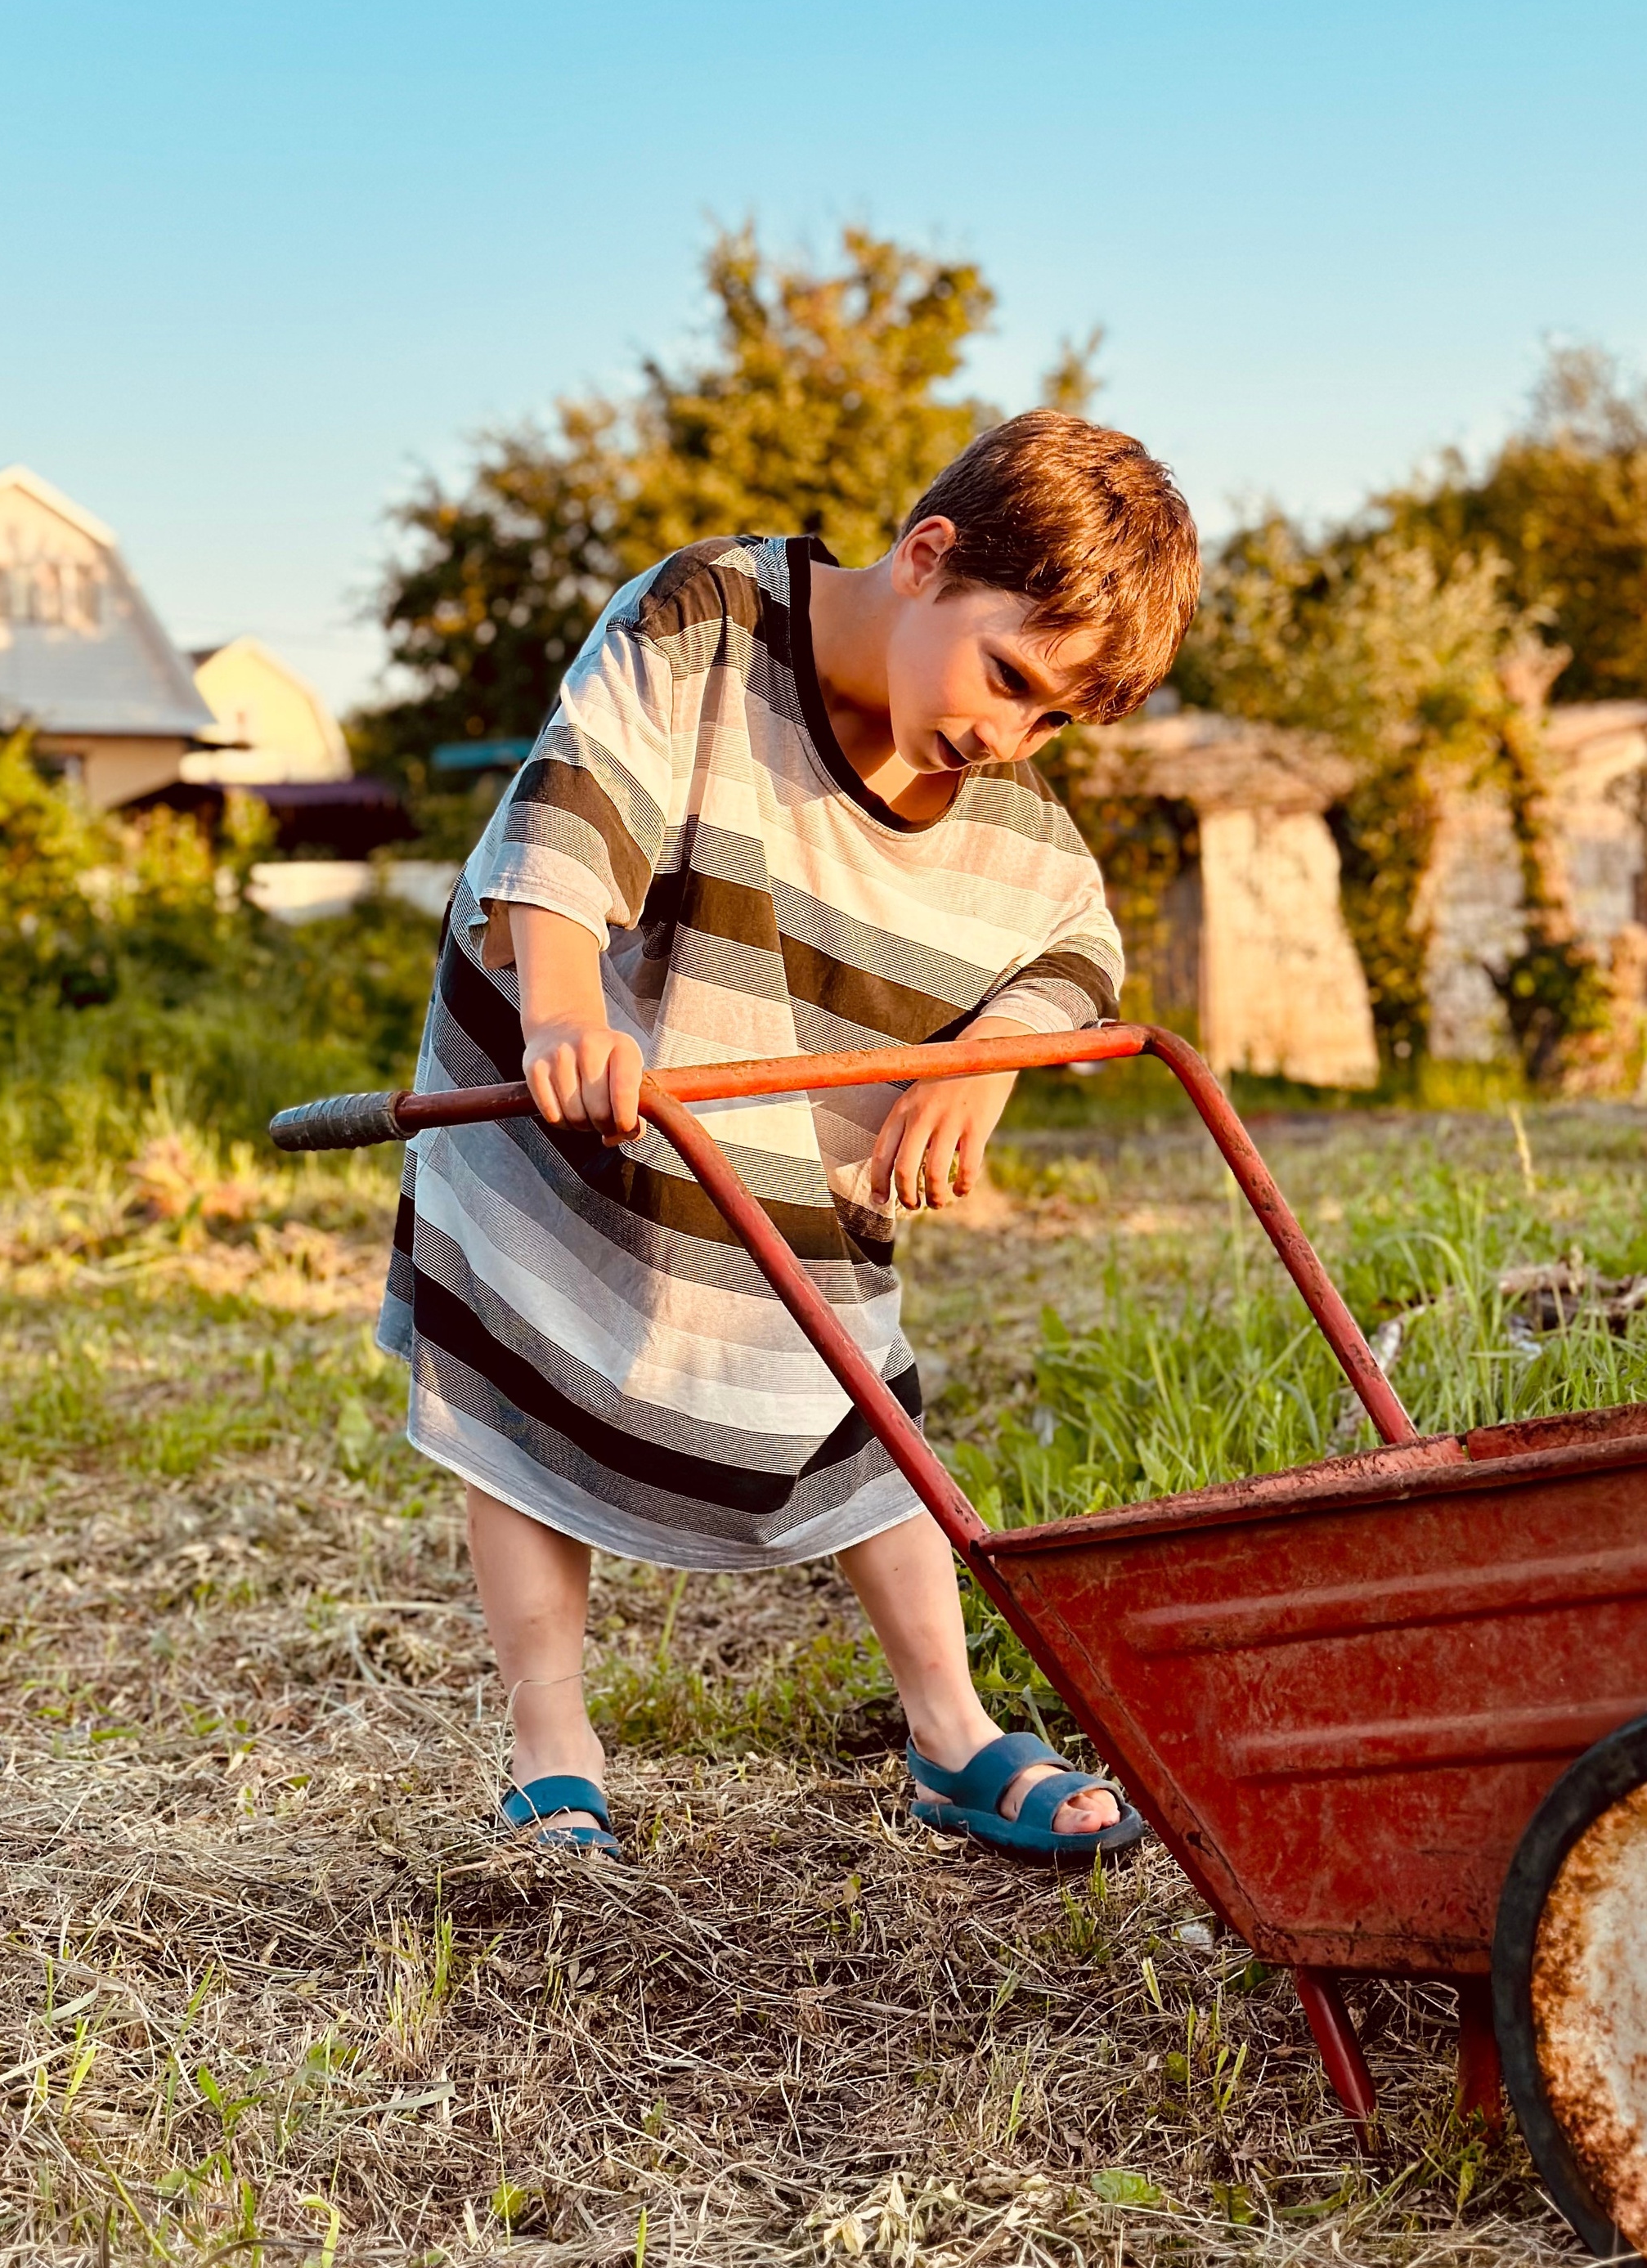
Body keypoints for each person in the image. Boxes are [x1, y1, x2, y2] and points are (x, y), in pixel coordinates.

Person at [377, 411, 1201, 1865]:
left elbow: (1076, 941)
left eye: (1054, 719)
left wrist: (988, 1064)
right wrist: (564, 1004)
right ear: (929, 555)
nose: (1011, 734)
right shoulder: (701, 618)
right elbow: (575, 802)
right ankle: (550, 1740)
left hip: (768, 1130)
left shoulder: (996, 808)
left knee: (860, 1403)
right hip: (578, 1076)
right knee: (523, 1363)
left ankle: (948, 1731)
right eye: (1011, 676)